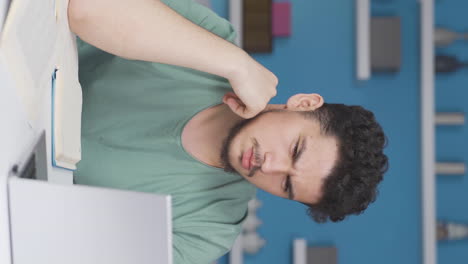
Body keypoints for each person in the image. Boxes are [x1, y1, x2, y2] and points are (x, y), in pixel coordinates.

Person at [68, 0, 389, 263]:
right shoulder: (214, 44)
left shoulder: (208, 230)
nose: (270, 167)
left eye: (287, 184)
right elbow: (84, 8)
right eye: (294, 150)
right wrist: (236, 64)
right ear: (303, 103)